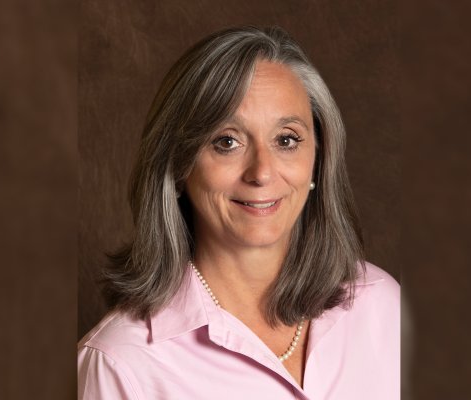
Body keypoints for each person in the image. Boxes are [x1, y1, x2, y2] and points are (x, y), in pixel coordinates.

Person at [78, 26, 399, 399]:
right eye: (226, 142)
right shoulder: (120, 364)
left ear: (318, 159)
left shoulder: (382, 308)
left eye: (286, 140)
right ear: (179, 167)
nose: (261, 172)